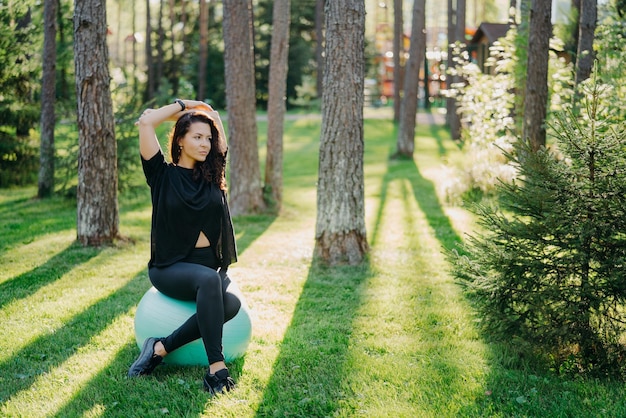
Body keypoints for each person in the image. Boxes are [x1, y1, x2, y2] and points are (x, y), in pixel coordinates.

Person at [128, 99, 241, 395]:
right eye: (197, 137)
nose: (205, 144)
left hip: (206, 267)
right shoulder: (161, 174)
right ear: (180, 140)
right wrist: (185, 105)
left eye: (208, 138)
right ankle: (217, 369)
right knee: (208, 281)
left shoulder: (213, 173)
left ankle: (160, 348)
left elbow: (215, 119)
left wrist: (205, 109)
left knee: (232, 304)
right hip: (170, 267)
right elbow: (147, 122)